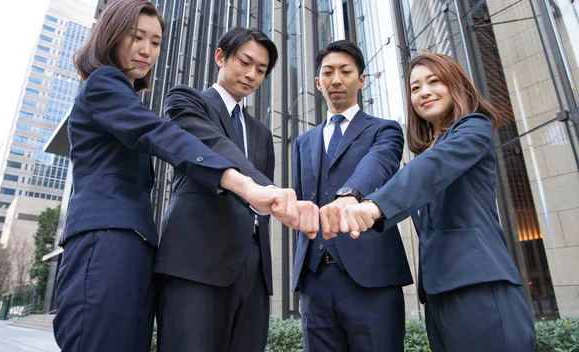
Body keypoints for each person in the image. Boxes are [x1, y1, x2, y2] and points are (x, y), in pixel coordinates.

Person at [53, 0, 309, 352]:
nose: (146, 50)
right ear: (110, 35)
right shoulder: (104, 83)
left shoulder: (125, 96)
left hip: (137, 245)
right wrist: (249, 186)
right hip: (106, 240)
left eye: (155, 42)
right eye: (136, 36)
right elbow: (163, 135)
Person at [337, 52, 537, 352]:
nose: (424, 92)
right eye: (415, 88)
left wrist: (372, 206)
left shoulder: (473, 128)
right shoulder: (425, 154)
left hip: (479, 290)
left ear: (456, 85)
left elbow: (434, 167)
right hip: (437, 297)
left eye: (434, 81)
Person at [154, 27, 317, 352]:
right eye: (245, 62)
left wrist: (283, 206)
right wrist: (269, 191)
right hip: (196, 261)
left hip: (252, 271)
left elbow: (263, 204)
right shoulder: (187, 100)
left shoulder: (260, 132)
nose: (252, 75)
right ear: (220, 57)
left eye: (261, 70)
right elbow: (212, 146)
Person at [291, 40, 412, 351]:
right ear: (318, 82)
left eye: (346, 71)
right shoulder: (302, 143)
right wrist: (304, 284)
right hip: (315, 282)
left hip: (372, 278)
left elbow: (379, 165)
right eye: (328, 72)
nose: (336, 79)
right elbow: (304, 207)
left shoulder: (384, 130)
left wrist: (350, 194)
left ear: (361, 79)